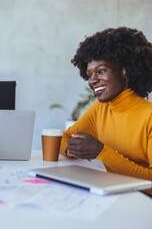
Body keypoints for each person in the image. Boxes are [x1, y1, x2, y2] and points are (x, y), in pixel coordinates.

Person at [60, 27, 152, 195]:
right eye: (89, 75)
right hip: (117, 197)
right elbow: (63, 139)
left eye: (101, 71)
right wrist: (74, 149)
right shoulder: (100, 109)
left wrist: (102, 152)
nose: (93, 81)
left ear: (125, 71)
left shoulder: (149, 116)